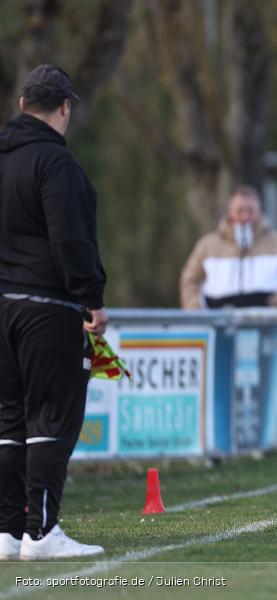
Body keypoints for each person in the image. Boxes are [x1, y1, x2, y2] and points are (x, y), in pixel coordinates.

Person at [0, 64, 107, 559]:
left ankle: (6, 532)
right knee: (49, 419)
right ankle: (40, 533)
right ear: (65, 107)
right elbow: (72, 240)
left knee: (9, 420)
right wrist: (92, 299)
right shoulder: (57, 164)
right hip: (47, 307)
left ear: (22, 105)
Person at [180, 185, 277, 308]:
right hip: (218, 321)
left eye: (251, 211)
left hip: (266, 322)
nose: (246, 217)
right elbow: (190, 280)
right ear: (230, 212)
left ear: (259, 211)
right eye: (240, 211)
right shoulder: (207, 246)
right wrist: (196, 309)